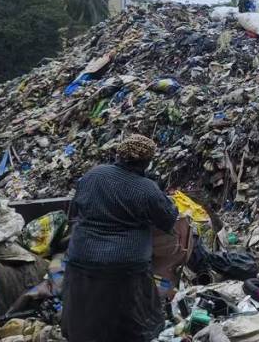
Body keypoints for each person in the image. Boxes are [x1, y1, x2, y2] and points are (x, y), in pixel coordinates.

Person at [62, 134, 179, 342]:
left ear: (119, 154)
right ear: (147, 161)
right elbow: (168, 220)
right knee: (133, 324)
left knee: (84, 319)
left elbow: (74, 213)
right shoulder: (147, 188)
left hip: (82, 257)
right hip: (125, 266)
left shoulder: (93, 175)